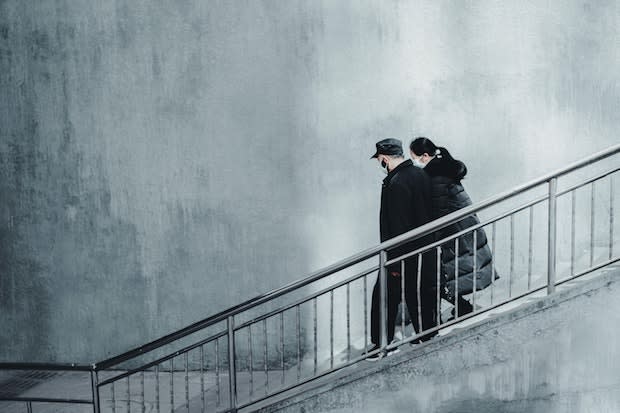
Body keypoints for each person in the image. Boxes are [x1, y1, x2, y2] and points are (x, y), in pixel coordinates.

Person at [409, 137, 498, 320]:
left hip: (454, 233)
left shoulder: (435, 176)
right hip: (462, 229)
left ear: (425, 156)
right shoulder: (443, 168)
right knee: (448, 275)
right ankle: (462, 306)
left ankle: (462, 307)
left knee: (440, 276)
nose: (414, 163)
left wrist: (433, 238)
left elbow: (440, 212)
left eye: (414, 158)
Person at [366, 138, 438, 360]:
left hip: (401, 254)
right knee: (419, 293)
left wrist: (395, 261)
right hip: (424, 249)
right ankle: (427, 335)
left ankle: (382, 344)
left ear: (384, 159)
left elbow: (398, 225)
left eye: (379, 159)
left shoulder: (396, 183)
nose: (380, 162)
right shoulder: (419, 174)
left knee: (384, 296)